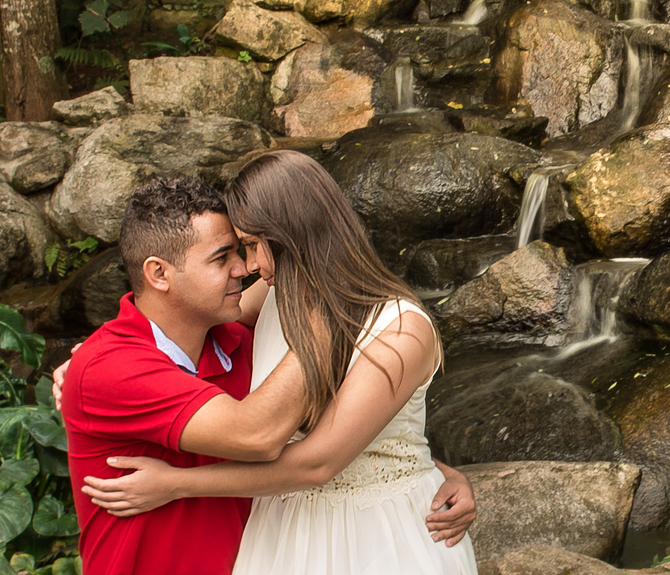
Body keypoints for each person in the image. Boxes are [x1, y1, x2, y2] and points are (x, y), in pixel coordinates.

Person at [79, 151, 478, 574]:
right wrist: (89, 362)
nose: (248, 267)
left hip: (377, 535)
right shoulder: (273, 296)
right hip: (284, 533)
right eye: (234, 251)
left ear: (294, 236)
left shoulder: (402, 329)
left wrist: (175, 484)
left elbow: (322, 459)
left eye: (251, 246)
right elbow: (178, 315)